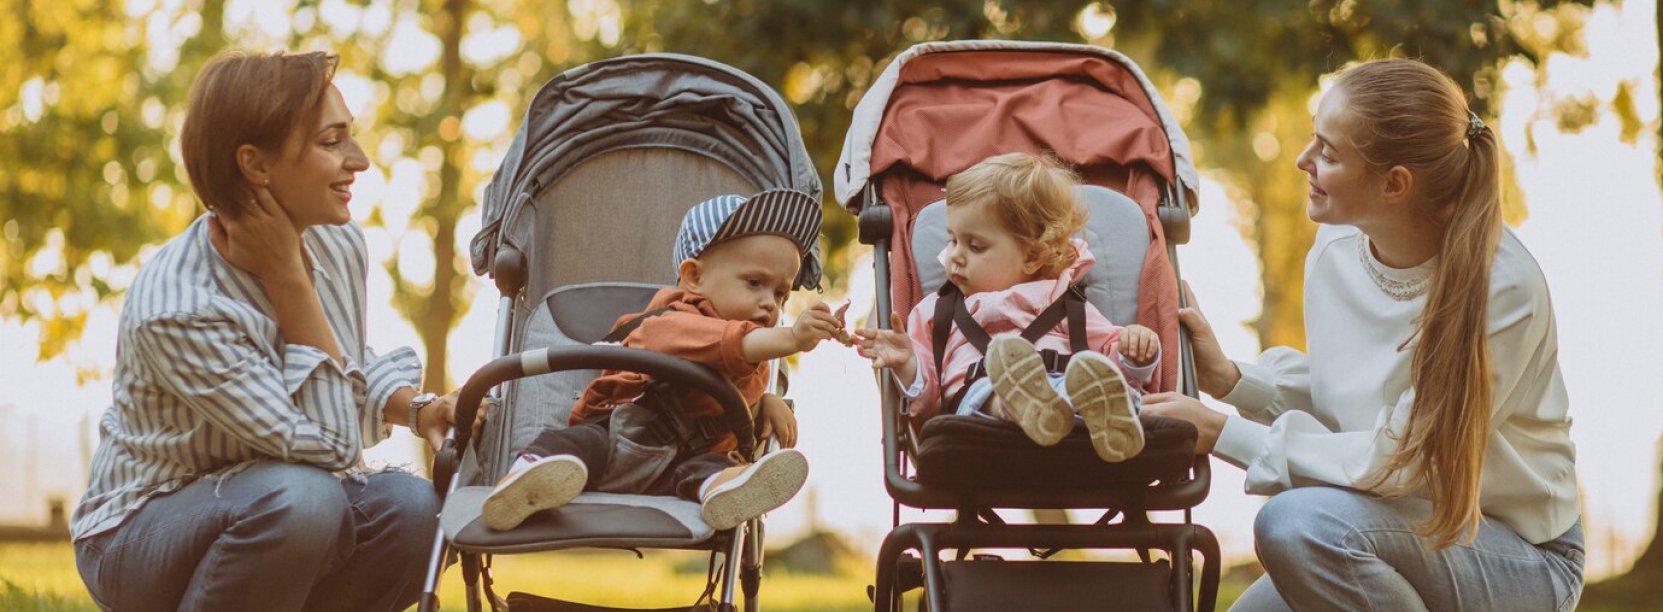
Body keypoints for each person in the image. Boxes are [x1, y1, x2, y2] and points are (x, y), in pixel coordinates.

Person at [1142, 58, 1583, 611]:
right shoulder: (1336, 246)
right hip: (1392, 529)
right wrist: (1232, 380)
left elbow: (1400, 459)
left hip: (1520, 553)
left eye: (1328, 153)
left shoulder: (1503, 288)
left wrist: (1220, 433)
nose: (1304, 161)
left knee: (1295, 525)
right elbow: (1350, 404)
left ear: (1395, 184)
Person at [70, 50, 461, 612]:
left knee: (416, 511)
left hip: (273, 499)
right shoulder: (179, 309)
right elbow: (328, 447)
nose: (362, 160)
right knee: (305, 501)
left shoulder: (336, 241)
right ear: (255, 165)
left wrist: (419, 410)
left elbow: (340, 363)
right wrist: (289, 281)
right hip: (139, 532)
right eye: (332, 142)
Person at [482, 189, 842, 532]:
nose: (770, 304)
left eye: (780, 293)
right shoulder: (670, 322)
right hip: (617, 439)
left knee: (708, 467)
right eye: (754, 283)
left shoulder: (755, 353)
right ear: (694, 277)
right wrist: (792, 338)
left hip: (677, 467)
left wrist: (765, 402)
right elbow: (725, 345)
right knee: (572, 444)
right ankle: (527, 477)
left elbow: (732, 382)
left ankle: (726, 488)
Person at [854, 152, 1162, 463]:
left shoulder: (1063, 301)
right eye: (952, 241)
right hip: (978, 418)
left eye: (975, 246)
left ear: (1031, 257)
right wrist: (908, 363)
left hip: (1066, 408)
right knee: (989, 392)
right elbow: (928, 401)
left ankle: (1104, 417)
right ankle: (1022, 403)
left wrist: (1133, 352)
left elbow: (1109, 358)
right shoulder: (936, 311)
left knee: (1088, 384)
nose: (956, 256)